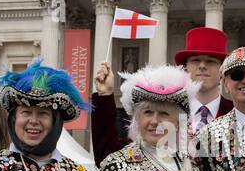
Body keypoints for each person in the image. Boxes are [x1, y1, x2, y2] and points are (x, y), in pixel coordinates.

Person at [91, 25, 234, 162]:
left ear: (223, 71)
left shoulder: (236, 114)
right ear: (184, 68)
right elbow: (108, 156)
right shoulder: (161, 113)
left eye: (211, 61)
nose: (202, 66)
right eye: (195, 60)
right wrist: (105, 95)